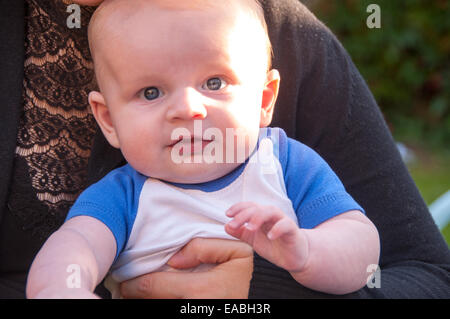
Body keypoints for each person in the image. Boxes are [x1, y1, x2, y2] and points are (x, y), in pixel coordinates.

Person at [0, 0, 448, 299]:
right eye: (152, 93)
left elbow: (367, 246)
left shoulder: (286, 164)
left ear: (265, 99)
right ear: (109, 121)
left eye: (214, 83)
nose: (188, 109)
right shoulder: (124, 194)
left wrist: (307, 255)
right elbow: (71, 249)